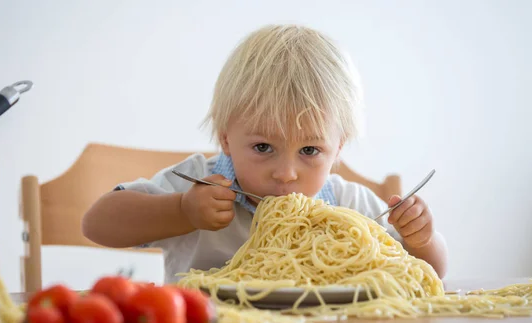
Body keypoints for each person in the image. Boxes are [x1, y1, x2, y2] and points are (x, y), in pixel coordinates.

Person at [82, 24, 448, 283]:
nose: (286, 173)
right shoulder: (196, 186)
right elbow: (97, 224)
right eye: (262, 147)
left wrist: (422, 240)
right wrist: (181, 211)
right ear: (226, 139)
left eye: (309, 150)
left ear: (338, 148)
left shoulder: (349, 206)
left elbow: (432, 272)